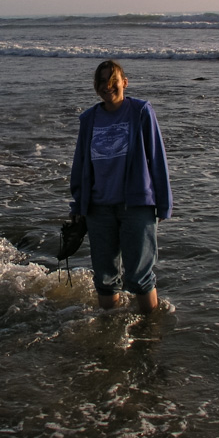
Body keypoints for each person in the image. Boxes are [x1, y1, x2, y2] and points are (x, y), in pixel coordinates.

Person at [69, 60, 173, 315]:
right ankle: (112, 333)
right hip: (98, 208)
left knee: (139, 277)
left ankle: (150, 332)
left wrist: (164, 203)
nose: (107, 86)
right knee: (104, 280)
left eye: (112, 81)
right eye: (101, 82)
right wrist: (78, 204)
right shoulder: (89, 118)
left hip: (137, 206)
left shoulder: (140, 111)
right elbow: (81, 163)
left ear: (124, 83)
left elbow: (156, 157)